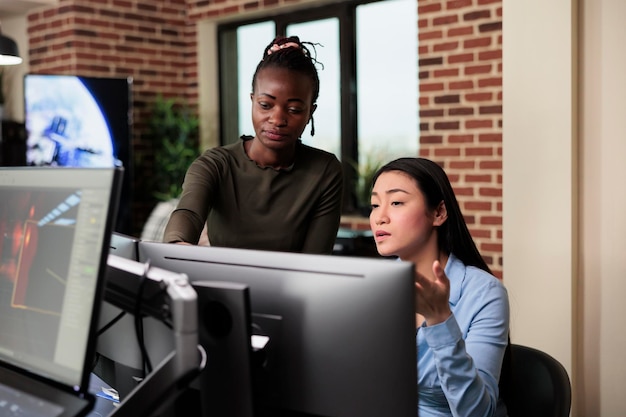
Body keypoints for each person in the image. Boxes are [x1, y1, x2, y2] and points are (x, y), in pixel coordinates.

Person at [162, 35, 343, 254]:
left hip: (293, 286)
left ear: (310, 112)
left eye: (294, 109)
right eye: (265, 105)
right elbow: (188, 213)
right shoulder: (216, 165)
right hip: (222, 284)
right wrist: (176, 247)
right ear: (252, 101)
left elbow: (315, 260)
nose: (277, 120)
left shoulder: (324, 171)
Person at [369, 157, 510, 417]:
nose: (380, 217)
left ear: (439, 213)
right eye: (375, 205)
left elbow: (477, 413)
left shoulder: (484, 293)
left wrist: (439, 319)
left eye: (396, 202)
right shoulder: (376, 285)